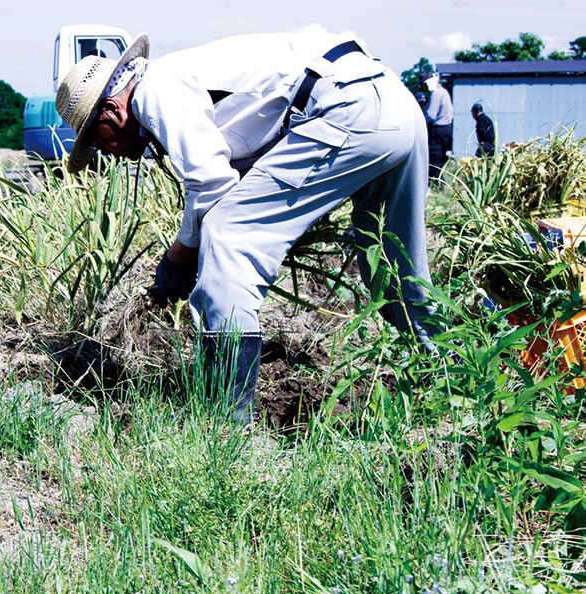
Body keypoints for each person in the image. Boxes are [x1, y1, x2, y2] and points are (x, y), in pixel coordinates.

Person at [56, 30, 441, 424]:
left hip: (347, 109)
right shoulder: (186, 78)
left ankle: (226, 423)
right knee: (394, 269)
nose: (107, 153)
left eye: (96, 140)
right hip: (394, 104)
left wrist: (179, 259)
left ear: (110, 111)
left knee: (228, 235)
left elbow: (212, 186)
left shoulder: (154, 89)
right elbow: (240, 176)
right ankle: (453, 377)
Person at [421, 72, 453, 181]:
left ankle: (437, 182)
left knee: (434, 158)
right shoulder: (444, 92)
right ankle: (438, 180)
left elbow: (430, 115)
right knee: (440, 157)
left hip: (437, 129)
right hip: (446, 129)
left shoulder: (436, 95)